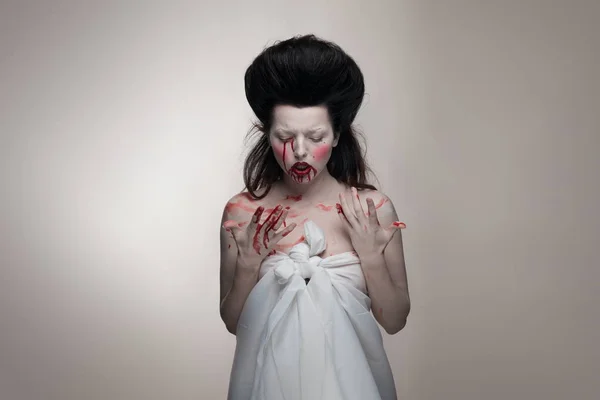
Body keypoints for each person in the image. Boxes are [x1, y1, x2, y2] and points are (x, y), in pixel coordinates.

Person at [219, 34, 410, 400]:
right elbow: (233, 323)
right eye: (285, 136)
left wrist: (370, 255)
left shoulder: (374, 210)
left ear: (337, 135)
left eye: (315, 135)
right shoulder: (243, 213)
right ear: (268, 136)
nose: (300, 151)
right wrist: (249, 264)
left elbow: (395, 320)